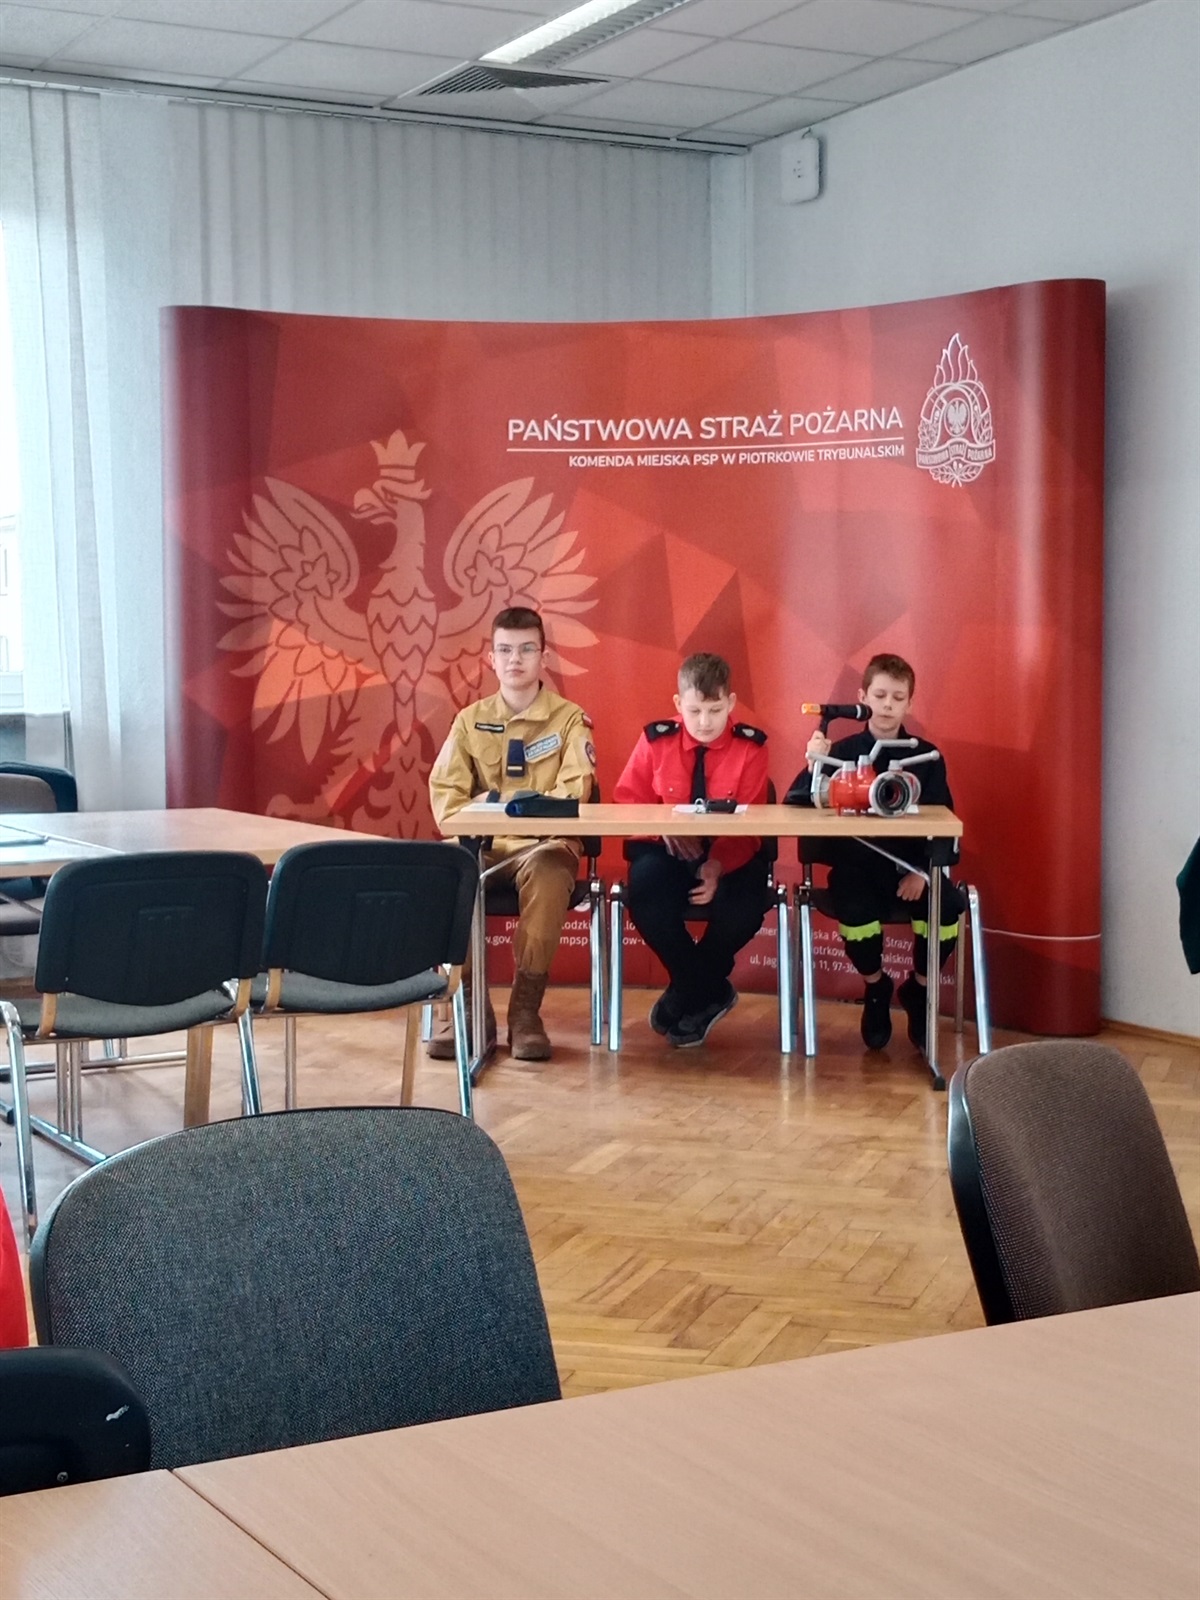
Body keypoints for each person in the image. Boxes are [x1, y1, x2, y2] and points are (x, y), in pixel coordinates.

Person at [428, 606, 596, 1061]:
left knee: (549, 871)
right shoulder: (469, 720)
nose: (515, 660)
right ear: (491, 658)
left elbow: (573, 793)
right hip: (479, 846)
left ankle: (525, 1012)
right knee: (447, 874)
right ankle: (470, 1010)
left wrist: (493, 803)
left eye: (526, 650)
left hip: (542, 847)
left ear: (544, 657)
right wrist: (508, 806)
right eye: (505, 650)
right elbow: (446, 798)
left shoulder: (569, 720)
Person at [785, 653, 963, 1052]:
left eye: (897, 698)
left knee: (948, 906)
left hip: (911, 872)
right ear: (863, 697)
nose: (887, 705)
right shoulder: (841, 751)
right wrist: (813, 763)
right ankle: (876, 986)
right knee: (854, 908)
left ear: (909, 703)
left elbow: (945, 824)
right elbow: (794, 800)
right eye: (879, 695)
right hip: (857, 871)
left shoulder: (927, 757)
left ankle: (919, 990)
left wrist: (923, 872)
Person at [614, 652, 770, 1048]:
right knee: (647, 897)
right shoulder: (656, 740)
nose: (704, 722)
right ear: (678, 703)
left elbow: (753, 824)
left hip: (729, 851)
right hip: (665, 848)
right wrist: (664, 829)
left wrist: (717, 865)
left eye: (715, 710)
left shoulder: (751, 747)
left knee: (744, 908)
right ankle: (708, 989)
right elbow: (628, 802)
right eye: (694, 710)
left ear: (731, 703)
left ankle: (687, 991)